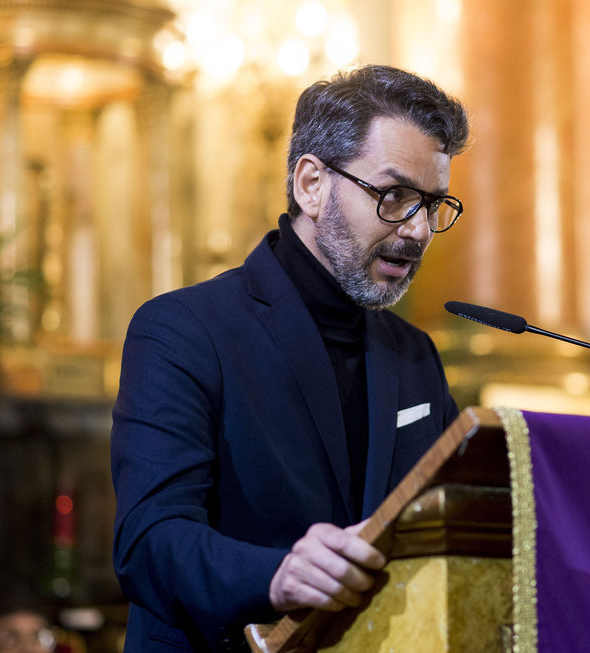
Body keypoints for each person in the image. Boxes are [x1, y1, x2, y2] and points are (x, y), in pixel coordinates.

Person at [111, 65, 470, 651]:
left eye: (432, 204)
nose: (418, 230)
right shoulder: (183, 329)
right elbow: (149, 543)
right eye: (395, 196)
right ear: (311, 184)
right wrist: (276, 575)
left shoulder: (414, 357)